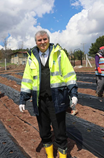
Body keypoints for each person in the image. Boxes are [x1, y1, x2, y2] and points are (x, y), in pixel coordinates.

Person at [19, 30, 78, 158]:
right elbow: (27, 79)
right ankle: (50, 156)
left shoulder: (59, 54)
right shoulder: (32, 57)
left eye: (44, 39)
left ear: (48, 39)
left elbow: (69, 74)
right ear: (36, 42)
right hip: (40, 101)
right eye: (39, 40)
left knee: (60, 132)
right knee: (44, 131)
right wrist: (23, 99)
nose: (42, 42)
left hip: (57, 99)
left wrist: (73, 92)